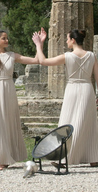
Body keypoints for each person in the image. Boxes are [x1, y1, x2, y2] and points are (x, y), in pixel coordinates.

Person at [32, 28, 98, 167]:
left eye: (67, 39)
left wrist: (39, 44)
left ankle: (63, 158)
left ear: (73, 40)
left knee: (66, 122)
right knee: (89, 123)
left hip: (72, 89)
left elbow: (43, 61)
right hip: (87, 89)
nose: (66, 41)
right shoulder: (92, 56)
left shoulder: (67, 56)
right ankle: (93, 157)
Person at [0, 30, 38, 171]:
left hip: (9, 91)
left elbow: (35, 60)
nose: (7, 40)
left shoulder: (12, 56)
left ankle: (6, 158)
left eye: (7, 38)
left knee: (9, 124)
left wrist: (38, 44)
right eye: (4, 38)